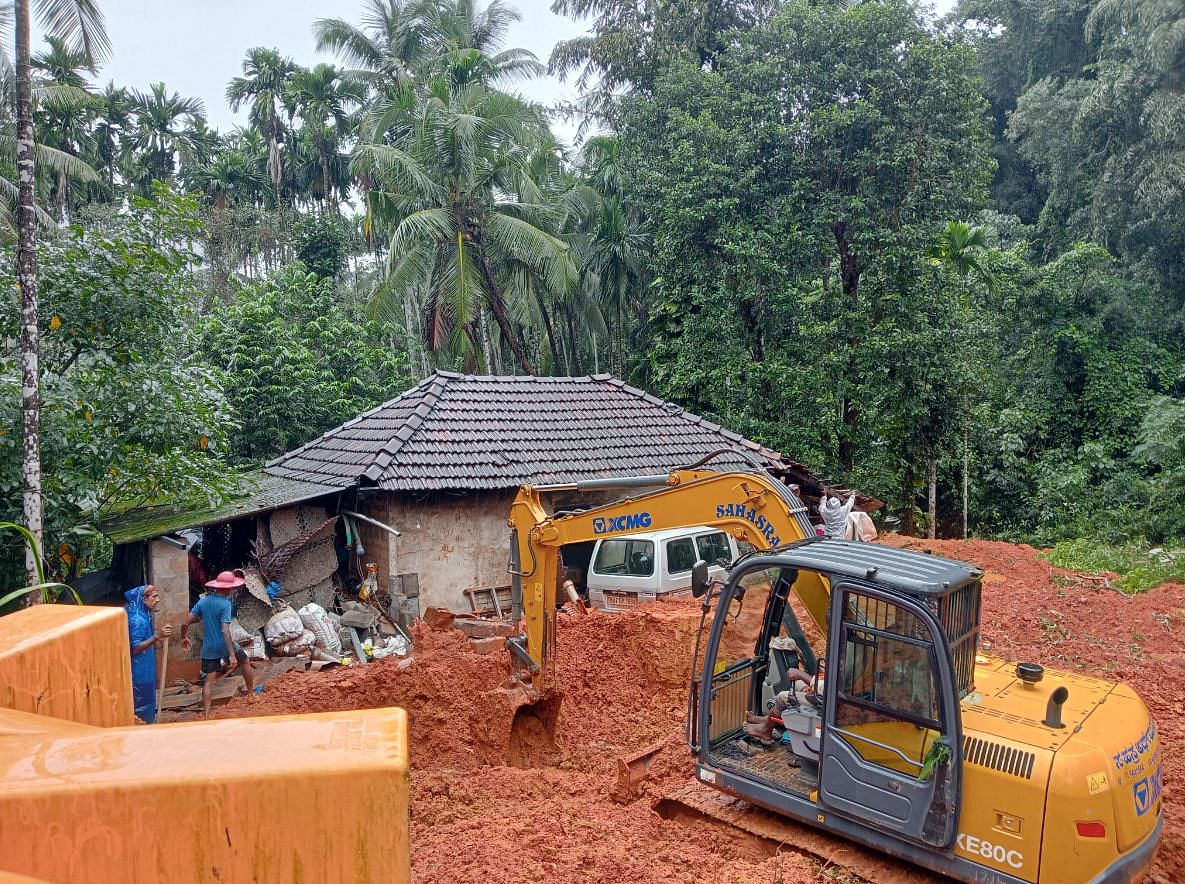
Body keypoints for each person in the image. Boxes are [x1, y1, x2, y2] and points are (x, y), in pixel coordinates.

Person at [180, 570, 256, 719]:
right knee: (245, 660)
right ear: (228, 589)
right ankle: (251, 693)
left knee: (208, 681)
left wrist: (184, 637)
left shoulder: (202, 602)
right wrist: (232, 654)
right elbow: (225, 630)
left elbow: (186, 622)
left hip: (208, 647)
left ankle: (207, 715)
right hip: (225, 644)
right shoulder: (225, 604)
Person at [125, 584, 171, 724]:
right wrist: (157, 636)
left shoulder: (144, 615)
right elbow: (136, 647)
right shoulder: (137, 620)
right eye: (154, 597)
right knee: (142, 703)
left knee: (147, 700)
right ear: (143, 599)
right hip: (140, 670)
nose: (157, 600)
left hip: (145, 666)